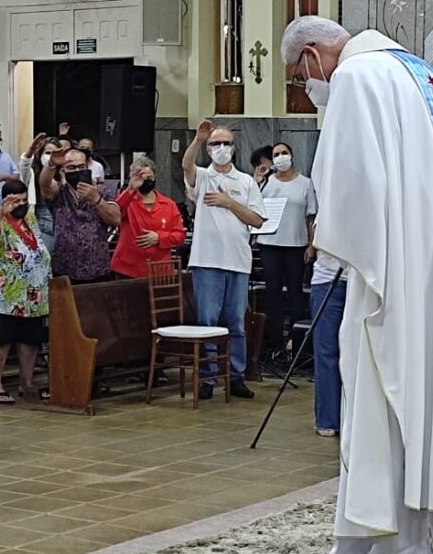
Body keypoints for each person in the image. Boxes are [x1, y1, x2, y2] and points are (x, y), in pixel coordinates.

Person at [281, 13, 433, 554]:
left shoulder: (357, 79)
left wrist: (338, 247)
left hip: (398, 270)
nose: (308, 90)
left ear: (312, 54)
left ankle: (390, 546)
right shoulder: (424, 75)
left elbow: (349, 186)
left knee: (382, 383)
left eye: (298, 76)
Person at [181, 122, 265, 400]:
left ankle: (237, 375)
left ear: (234, 147)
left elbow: (257, 219)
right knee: (208, 321)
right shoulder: (203, 177)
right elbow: (186, 166)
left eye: (226, 144)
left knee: (236, 322)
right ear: (208, 149)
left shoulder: (246, 181)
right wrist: (196, 140)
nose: (221, 149)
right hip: (207, 260)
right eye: (215, 145)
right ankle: (208, 375)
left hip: (238, 261)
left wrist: (230, 203)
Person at [0, 180, 52, 404]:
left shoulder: (29, 219)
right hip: (4, 294)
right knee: (1, 340)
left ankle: (26, 383)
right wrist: (1, 211)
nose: (20, 205)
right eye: (15, 200)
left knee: (30, 340)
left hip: (32, 294)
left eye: (23, 200)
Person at [256, 142, 317, 357]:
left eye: (284, 153)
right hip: (269, 244)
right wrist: (258, 181)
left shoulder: (305, 183)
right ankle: (275, 343)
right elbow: (252, 207)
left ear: (291, 155)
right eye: (276, 155)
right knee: (272, 293)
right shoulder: (266, 183)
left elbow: (310, 217)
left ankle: (295, 340)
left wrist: (311, 244)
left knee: (295, 292)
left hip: (296, 244)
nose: (281, 157)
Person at [40, 145, 121, 283]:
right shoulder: (59, 192)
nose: (77, 171)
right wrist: (51, 164)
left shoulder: (101, 192)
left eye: (81, 167)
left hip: (97, 269)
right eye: (72, 168)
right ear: (63, 171)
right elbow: (44, 184)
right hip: (64, 270)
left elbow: (115, 219)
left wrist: (96, 200)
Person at [111, 157, 185, 279]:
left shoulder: (169, 204)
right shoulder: (127, 200)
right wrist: (131, 189)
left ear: (155, 177)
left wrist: (159, 237)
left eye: (149, 178)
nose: (145, 182)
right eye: (141, 178)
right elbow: (115, 212)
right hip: (127, 269)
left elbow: (180, 235)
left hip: (159, 271)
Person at [308, 230, 345, 438]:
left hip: (362, 280)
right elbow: (318, 236)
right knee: (326, 351)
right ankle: (328, 418)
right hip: (327, 278)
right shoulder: (326, 197)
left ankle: (355, 417)